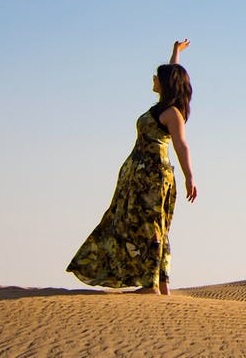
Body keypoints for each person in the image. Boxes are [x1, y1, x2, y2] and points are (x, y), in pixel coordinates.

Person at [68, 40, 198, 295]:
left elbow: (182, 146)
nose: (153, 79)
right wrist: (175, 53)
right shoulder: (163, 107)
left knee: (152, 227)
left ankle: (152, 285)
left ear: (166, 83)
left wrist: (189, 177)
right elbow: (173, 72)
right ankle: (160, 284)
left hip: (153, 178)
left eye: (157, 77)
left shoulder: (173, 113)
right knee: (138, 225)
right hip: (138, 179)